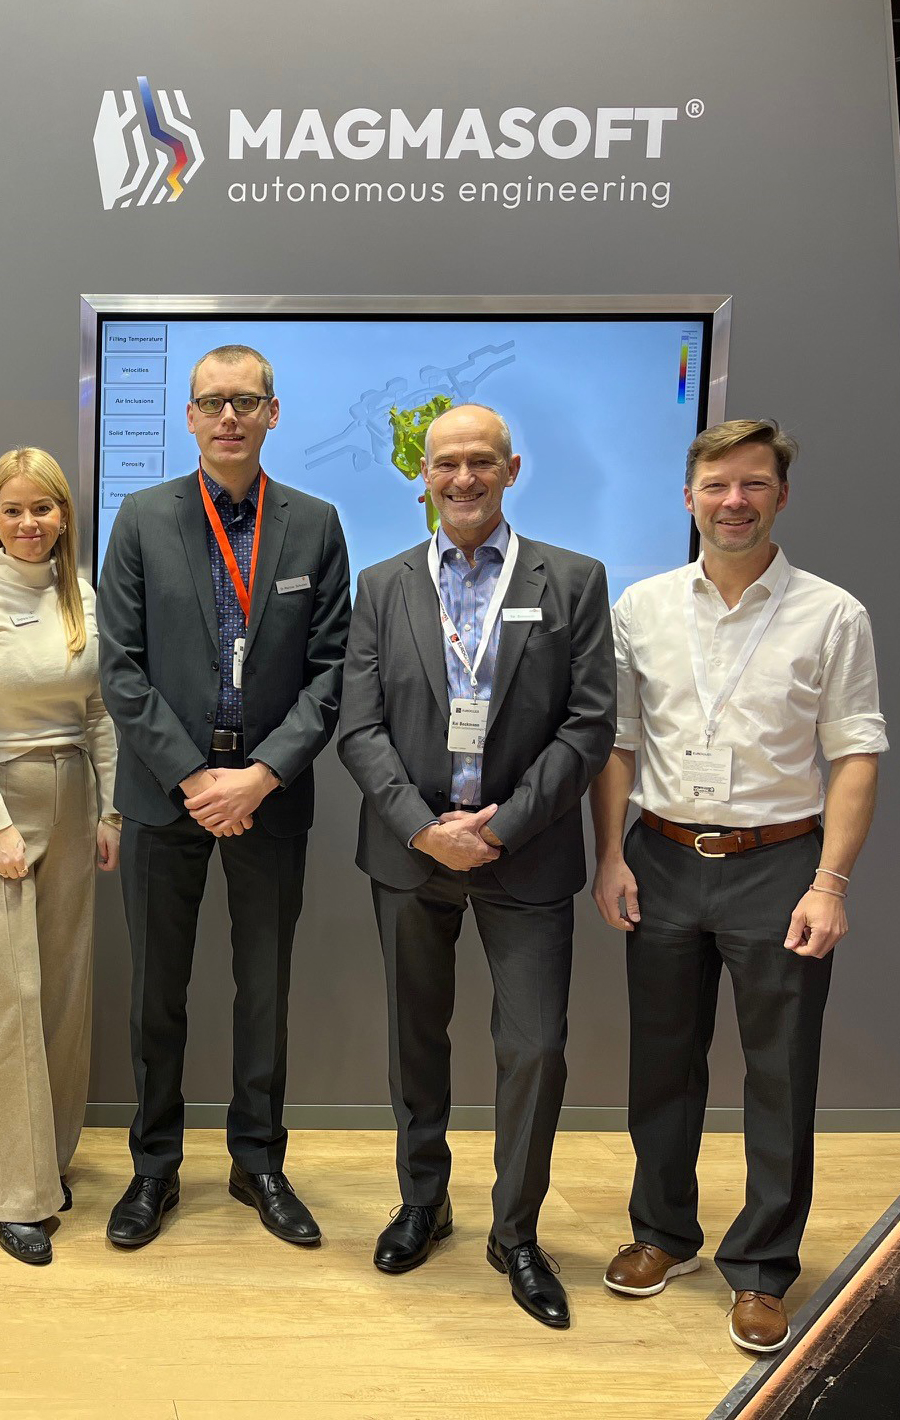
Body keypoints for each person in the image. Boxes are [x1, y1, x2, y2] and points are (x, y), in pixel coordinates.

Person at [590, 419, 884, 1353]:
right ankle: (662, 1233)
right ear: (689, 498)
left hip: (782, 866)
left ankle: (762, 1268)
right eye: (717, 484)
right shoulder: (641, 608)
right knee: (661, 1062)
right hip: (663, 856)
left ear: (780, 497)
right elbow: (618, 742)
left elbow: (856, 754)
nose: (734, 501)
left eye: (754, 484)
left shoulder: (832, 615)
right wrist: (610, 855)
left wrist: (830, 883)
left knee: (781, 1073)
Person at [337, 403, 613, 1330]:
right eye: (447, 462)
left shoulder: (571, 580)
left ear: (511, 469)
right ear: (423, 474)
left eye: (481, 462)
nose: (463, 478)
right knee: (416, 1036)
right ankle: (423, 1202)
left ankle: (516, 1232)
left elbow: (589, 723)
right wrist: (425, 829)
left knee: (534, 1047)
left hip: (524, 854)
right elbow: (360, 727)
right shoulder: (382, 585)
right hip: (411, 853)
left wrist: (504, 827)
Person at [96, 344, 350, 1250]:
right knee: (156, 994)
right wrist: (195, 776)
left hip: (267, 795)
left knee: (264, 990)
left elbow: (332, 671)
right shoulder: (141, 519)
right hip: (168, 795)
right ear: (190, 417)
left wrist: (261, 774)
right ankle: (154, 1168)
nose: (229, 417)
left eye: (246, 401)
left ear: (273, 413)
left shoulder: (315, 524)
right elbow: (120, 667)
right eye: (212, 402)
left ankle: (258, 1163)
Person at [0, 448, 120, 1265]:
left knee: (64, 991)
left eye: (42, 507)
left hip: (72, 798)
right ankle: (13, 1193)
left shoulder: (84, 598)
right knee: (6, 997)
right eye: (12, 509)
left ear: (63, 515)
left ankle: (52, 1157)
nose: (28, 523)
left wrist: (111, 809)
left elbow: (102, 713)